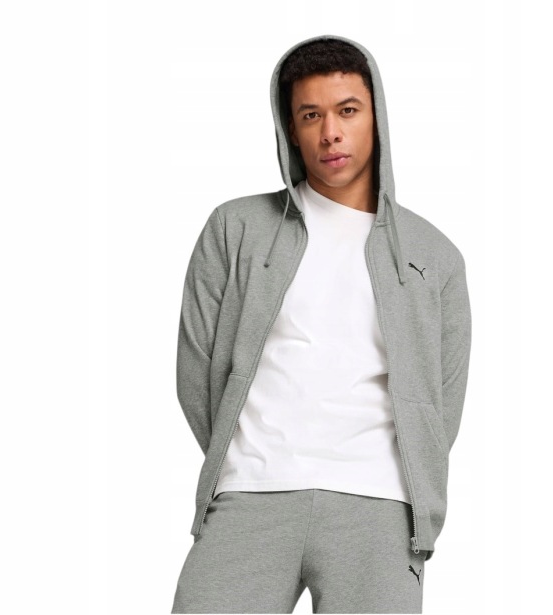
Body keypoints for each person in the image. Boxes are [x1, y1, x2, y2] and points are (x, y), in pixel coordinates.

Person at [170, 34, 472, 614]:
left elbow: (441, 402)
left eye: (347, 111)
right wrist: (244, 454)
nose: (330, 131)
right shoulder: (236, 229)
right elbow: (196, 372)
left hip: (380, 508)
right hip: (250, 494)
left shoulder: (433, 256)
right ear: (291, 128)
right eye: (311, 115)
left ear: (376, 117)